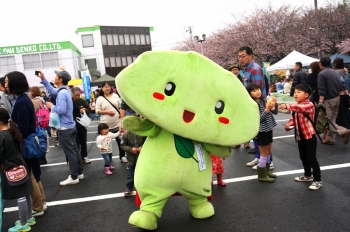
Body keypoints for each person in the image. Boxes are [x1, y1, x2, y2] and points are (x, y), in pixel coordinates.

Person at [6, 72, 48, 218]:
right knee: (34, 173)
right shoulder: (23, 99)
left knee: (29, 174)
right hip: (30, 141)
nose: (5, 85)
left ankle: (37, 206)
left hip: (26, 143)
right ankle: (42, 202)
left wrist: (12, 138)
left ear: (14, 83)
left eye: (7, 82)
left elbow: (23, 128)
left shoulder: (22, 101)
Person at [37, 70, 84, 186]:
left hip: (64, 128)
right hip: (70, 125)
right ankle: (79, 173)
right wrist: (43, 79)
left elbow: (61, 110)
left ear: (61, 79)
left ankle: (74, 176)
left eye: (56, 76)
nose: (54, 77)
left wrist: (51, 106)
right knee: (75, 150)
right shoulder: (64, 90)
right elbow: (52, 90)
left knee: (70, 152)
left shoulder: (62, 93)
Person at [279, 84, 322, 190]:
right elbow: (293, 119)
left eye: (299, 92)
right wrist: (289, 126)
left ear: (306, 95)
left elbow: (301, 108)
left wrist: (287, 106)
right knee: (303, 157)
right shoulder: (296, 106)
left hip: (309, 136)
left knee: (312, 159)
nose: (296, 94)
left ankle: (317, 180)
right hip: (300, 136)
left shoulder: (309, 105)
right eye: (295, 92)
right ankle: (308, 175)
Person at [0, 107, 36, 232]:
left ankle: (23, 223)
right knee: (25, 193)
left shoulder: (1, 136)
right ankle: (29, 217)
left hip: (10, 168)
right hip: (20, 164)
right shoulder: (12, 131)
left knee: (20, 196)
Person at [246, 83, 277, 183]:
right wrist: (267, 110)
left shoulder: (263, 100)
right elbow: (258, 119)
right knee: (263, 154)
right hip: (261, 131)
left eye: (258, 89)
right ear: (249, 94)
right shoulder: (253, 104)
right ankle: (262, 175)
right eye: (254, 91)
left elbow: (274, 112)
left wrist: (273, 105)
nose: (257, 92)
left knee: (268, 152)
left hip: (268, 128)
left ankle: (267, 171)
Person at [239, 46, 267, 154]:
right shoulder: (246, 70)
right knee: (255, 131)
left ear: (251, 56)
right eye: (239, 57)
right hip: (251, 104)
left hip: (256, 105)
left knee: (260, 132)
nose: (240, 59)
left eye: (243, 56)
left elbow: (257, 91)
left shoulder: (255, 69)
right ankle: (258, 157)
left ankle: (262, 159)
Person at [317, 57, 350, 145]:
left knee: (329, 121)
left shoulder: (322, 74)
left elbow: (322, 89)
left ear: (320, 64)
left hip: (328, 99)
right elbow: (340, 85)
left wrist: (320, 101)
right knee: (333, 119)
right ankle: (331, 139)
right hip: (337, 98)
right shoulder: (335, 72)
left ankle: (343, 131)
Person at [95, 82, 127, 163]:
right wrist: (107, 112)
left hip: (117, 122)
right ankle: (108, 158)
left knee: (120, 140)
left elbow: (121, 106)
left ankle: (122, 156)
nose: (107, 88)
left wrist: (121, 113)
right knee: (106, 142)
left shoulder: (115, 96)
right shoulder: (100, 98)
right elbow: (97, 110)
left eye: (109, 86)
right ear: (102, 88)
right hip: (105, 125)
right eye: (105, 87)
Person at [120, 120, 146, 196]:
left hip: (142, 157)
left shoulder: (143, 133)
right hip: (131, 158)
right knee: (130, 175)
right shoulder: (126, 135)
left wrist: (142, 147)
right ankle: (129, 188)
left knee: (142, 174)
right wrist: (131, 149)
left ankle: (143, 189)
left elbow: (148, 141)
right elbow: (122, 145)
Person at [71, 87, 92, 164]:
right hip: (72, 125)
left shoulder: (82, 101)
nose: (77, 97)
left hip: (82, 125)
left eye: (78, 95)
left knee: (83, 141)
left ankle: (84, 156)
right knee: (75, 143)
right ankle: (77, 157)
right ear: (72, 94)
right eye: (75, 95)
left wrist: (85, 110)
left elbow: (89, 109)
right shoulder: (69, 101)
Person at [333, 58, 350, 129]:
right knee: (345, 110)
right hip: (346, 93)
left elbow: (341, 83)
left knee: (341, 112)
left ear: (335, 64)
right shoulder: (345, 72)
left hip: (339, 94)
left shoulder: (336, 73)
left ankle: (344, 126)